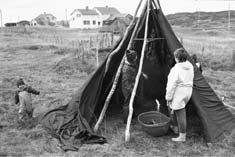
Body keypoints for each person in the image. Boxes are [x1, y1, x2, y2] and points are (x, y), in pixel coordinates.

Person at [165, 48, 194, 142]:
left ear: (176, 58)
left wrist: (168, 97)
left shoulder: (175, 69)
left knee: (180, 114)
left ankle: (182, 136)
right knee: (174, 109)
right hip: (188, 91)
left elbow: (171, 85)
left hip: (179, 93)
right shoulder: (190, 66)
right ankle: (175, 128)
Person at [121, 49, 148, 123]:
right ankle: (126, 120)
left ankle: (132, 115)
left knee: (132, 102)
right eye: (135, 57)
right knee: (127, 102)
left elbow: (137, 68)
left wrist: (142, 74)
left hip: (133, 85)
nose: (136, 58)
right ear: (131, 59)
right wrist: (131, 90)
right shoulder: (126, 69)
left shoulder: (132, 63)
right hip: (128, 88)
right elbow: (125, 82)